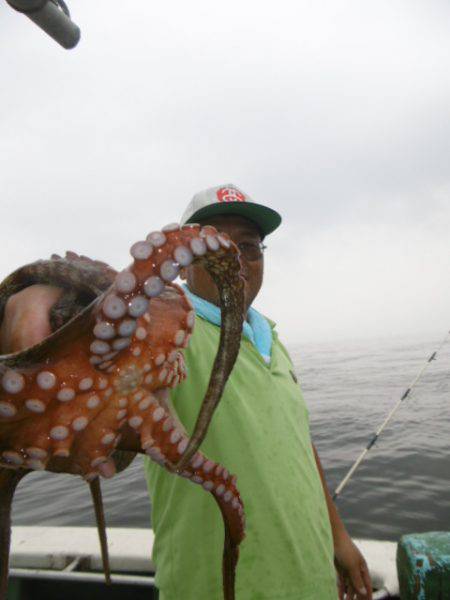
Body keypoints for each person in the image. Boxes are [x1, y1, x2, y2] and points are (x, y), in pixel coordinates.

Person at [0, 184, 372, 600]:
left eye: (250, 247)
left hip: (313, 576)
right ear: (181, 266)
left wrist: (338, 538)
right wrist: (35, 295)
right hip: (212, 587)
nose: (237, 261)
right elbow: (84, 328)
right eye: (216, 248)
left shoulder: (274, 341)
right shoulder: (168, 334)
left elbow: (300, 442)